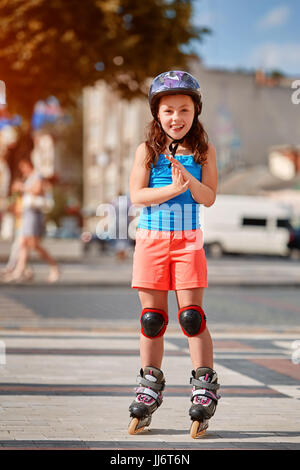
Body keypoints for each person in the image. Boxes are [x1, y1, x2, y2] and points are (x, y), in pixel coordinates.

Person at [128, 70, 220, 438]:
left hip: (188, 241)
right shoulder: (146, 150)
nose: (176, 118)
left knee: (191, 318)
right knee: (152, 319)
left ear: (196, 112)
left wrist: (187, 178)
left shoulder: (204, 150)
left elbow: (208, 196)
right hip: (151, 241)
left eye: (184, 109)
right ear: (157, 113)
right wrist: (169, 190)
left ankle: (203, 387)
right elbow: (137, 195)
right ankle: (149, 387)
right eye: (168, 110)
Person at [4, 159, 59, 283]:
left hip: (34, 214)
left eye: (23, 167)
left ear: (29, 165)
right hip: (27, 213)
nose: (23, 170)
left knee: (34, 244)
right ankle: (19, 271)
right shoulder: (28, 178)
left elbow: (38, 191)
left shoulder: (37, 176)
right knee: (23, 243)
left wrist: (22, 187)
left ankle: (54, 266)